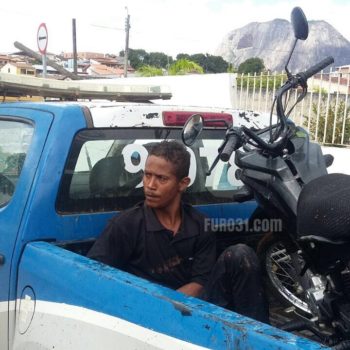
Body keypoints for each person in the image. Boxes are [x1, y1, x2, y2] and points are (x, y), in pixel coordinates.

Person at [87, 140, 269, 323]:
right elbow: (94, 278)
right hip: (142, 315)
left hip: (194, 310)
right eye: (147, 175)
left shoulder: (200, 224)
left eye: (161, 178)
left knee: (240, 255)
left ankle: (259, 339)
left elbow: (200, 282)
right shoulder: (125, 225)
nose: (150, 185)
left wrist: (169, 308)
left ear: (183, 183)